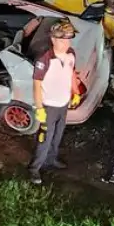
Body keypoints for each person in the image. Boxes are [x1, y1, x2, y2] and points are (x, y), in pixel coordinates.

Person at [28, 19, 82, 185]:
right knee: (45, 137)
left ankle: (51, 160)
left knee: (58, 134)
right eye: (63, 39)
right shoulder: (44, 59)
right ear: (53, 39)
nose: (67, 43)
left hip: (63, 104)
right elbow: (36, 84)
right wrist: (39, 108)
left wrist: (76, 92)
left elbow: (71, 72)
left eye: (69, 39)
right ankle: (34, 168)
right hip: (48, 106)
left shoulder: (71, 53)